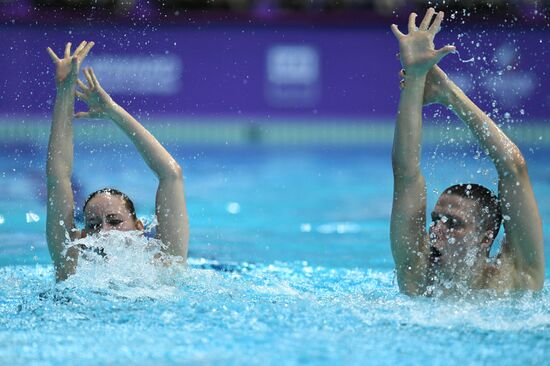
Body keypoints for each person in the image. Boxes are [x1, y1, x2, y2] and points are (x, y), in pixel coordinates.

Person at [390, 9, 544, 296]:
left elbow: (514, 168)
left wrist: (450, 95)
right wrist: (414, 79)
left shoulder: (516, 281)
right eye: (436, 220)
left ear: (486, 238)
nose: (436, 230)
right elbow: (406, 173)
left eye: (454, 224)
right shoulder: (419, 277)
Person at [46, 41, 189, 281]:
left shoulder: (164, 262)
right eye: (92, 224)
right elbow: (57, 176)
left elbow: (171, 174)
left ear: (139, 228)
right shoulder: (72, 264)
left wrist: (112, 110)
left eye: (114, 221)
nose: (104, 231)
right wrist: (65, 90)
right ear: (82, 234)